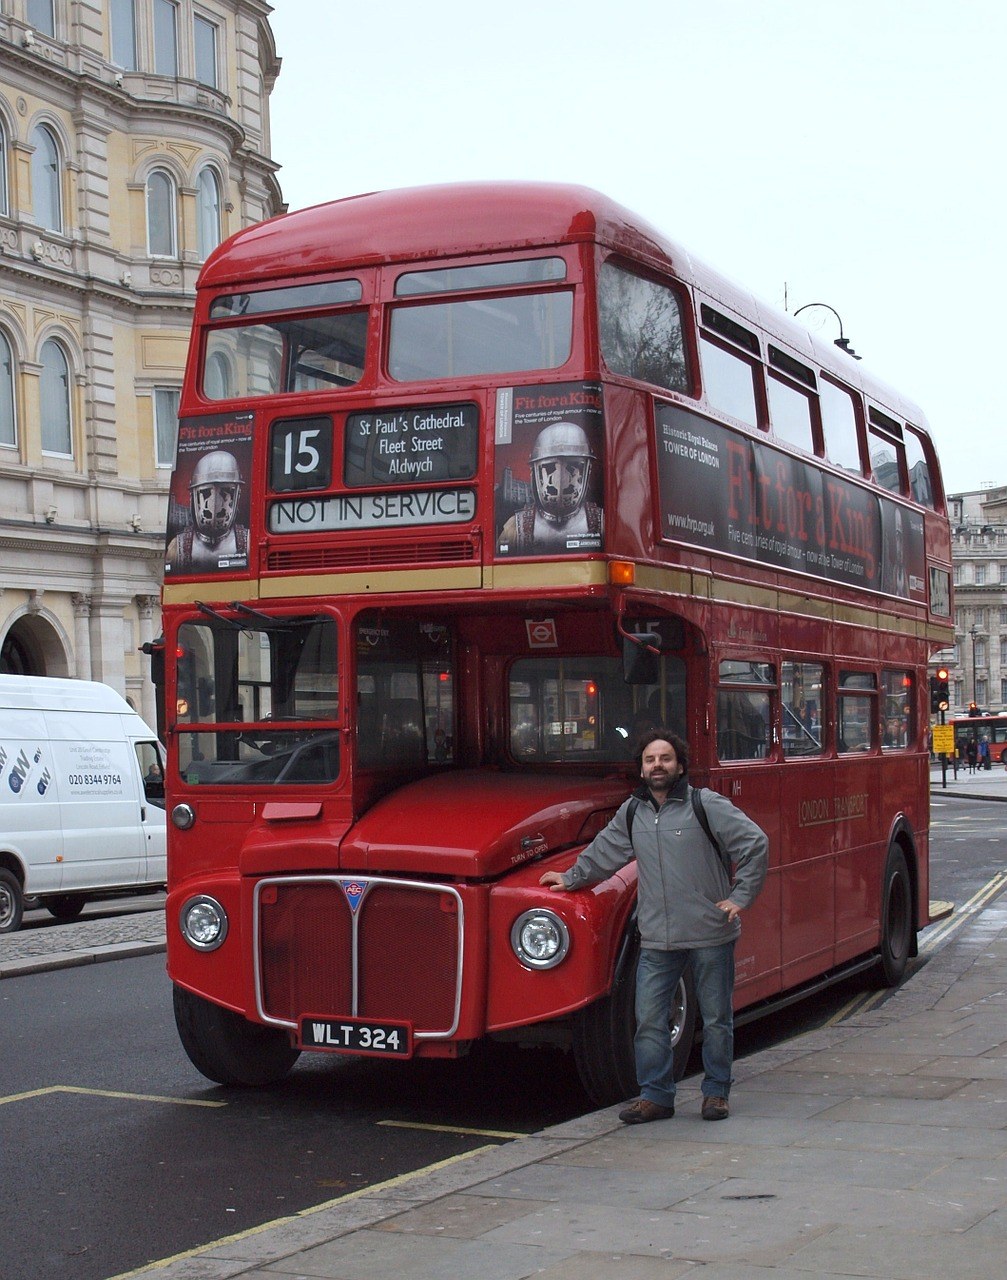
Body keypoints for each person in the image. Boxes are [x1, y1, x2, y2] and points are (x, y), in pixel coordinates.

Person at [540, 729, 768, 1124]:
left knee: (716, 1019)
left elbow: (755, 843)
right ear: (642, 768)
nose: (657, 765)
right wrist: (571, 878)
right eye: (650, 760)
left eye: (665, 758)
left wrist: (740, 897)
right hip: (657, 939)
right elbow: (604, 853)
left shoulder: (705, 804)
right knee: (648, 1020)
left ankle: (716, 1094)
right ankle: (657, 1097)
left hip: (709, 933)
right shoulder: (633, 812)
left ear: (680, 765)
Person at [496, 421, 603, 555]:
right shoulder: (515, 528)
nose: (560, 479)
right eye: (550, 468)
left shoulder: (603, 523)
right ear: (535, 473)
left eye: (572, 467)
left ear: (586, 470)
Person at [166, 449, 249, 572]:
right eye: (206, 493)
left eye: (224, 493)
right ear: (194, 497)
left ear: (236, 495)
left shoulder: (248, 542)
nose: (215, 503)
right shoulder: (178, 546)